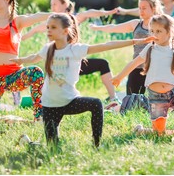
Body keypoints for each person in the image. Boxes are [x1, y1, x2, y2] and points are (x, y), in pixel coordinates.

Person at [11, 13, 155, 147]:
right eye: (48, 27)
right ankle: (29, 144)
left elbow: (106, 45)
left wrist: (137, 41)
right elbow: (33, 58)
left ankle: (96, 144)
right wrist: (20, 60)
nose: (48, 30)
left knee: (96, 104)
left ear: (65, 31)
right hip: (50, 105)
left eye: (53, 27)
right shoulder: (48, 49)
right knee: (53, 147)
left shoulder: (75, 49)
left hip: (70, 101)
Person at [90, 0, 174, 96]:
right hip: (138, 68)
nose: (141, 11)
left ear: (153, 8)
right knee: (132, 103)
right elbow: (114, 27)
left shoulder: (161, 23)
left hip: (157, 68)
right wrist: (97, 28)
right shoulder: (135, 24)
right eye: (140, 8)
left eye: (144, 8)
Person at [22, 0, 120, 104]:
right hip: (58, 64)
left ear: (65, 4)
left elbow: (89, 13)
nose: (52, 7)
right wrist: (20, 38)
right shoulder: (51, 22)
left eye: (55, 4)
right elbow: (35, 29)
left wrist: (109, 12)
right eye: (51, 4)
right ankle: (40, 101)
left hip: (73, 61)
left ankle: (113, 98)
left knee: (102, 64)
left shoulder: (72, 19)